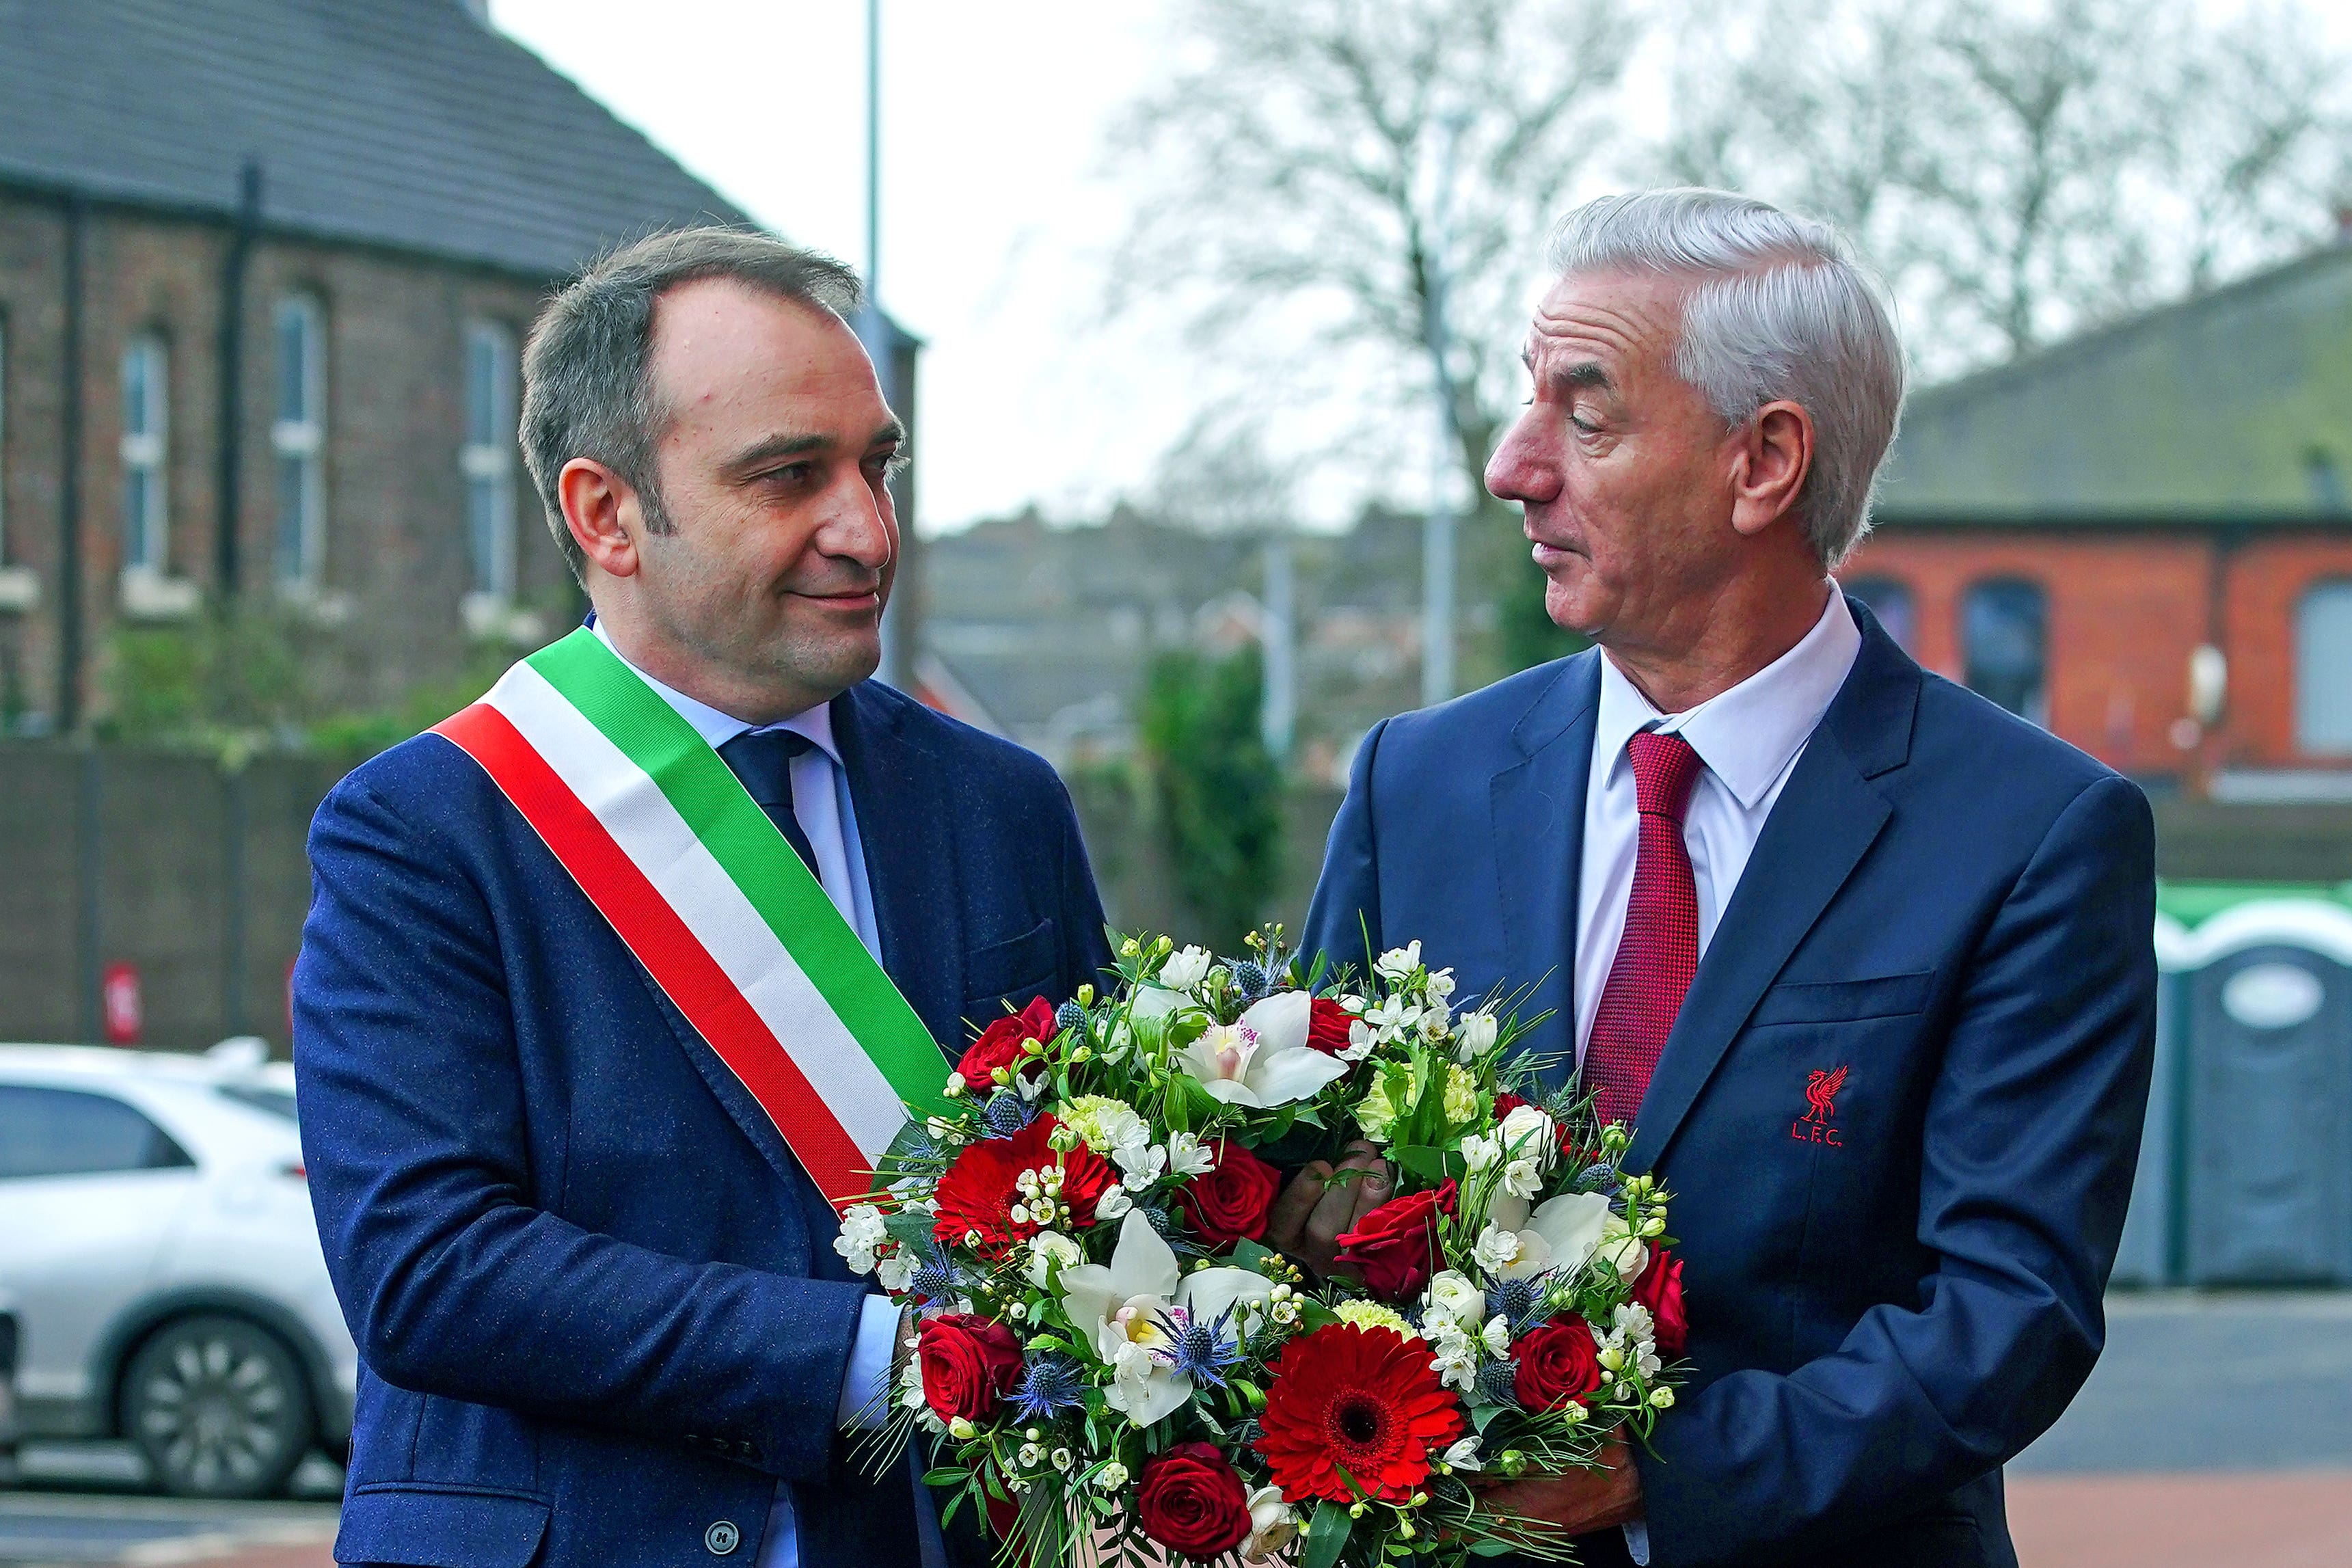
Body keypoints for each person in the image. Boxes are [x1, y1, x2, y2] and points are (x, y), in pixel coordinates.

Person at [1301, 189, 2157, 1568]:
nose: (1512, 466)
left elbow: (2004, 1312)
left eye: (1585, 416)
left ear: (1760, 463)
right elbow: (1296, 1174)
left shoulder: (2034, 832)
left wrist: (1644, 1477)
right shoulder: (1419, 782)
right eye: (1528, 404)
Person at [293, 228, 1112, 1568]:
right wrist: (878, 1355)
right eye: (791, 476)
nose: (864, 527)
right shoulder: (426, 830)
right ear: (606, 512)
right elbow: (426, 1266)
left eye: (875, 464)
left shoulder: (997, 803)